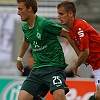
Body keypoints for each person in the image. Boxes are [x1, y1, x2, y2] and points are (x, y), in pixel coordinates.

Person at [16, 0, 79, 100]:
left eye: (20, 9)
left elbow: (66, 33)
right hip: (37, 69)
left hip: (54, 67)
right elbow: (26, 40)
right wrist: (19, 58)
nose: (18, 12)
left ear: (29, 8)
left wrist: (80, 54)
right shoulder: (25, 27)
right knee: (23, 98)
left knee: (59, 95)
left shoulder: (44, 24)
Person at [57, 1, 100, 100]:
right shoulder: (71, 30)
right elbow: (82, 51)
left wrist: (76, 66)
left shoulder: (79, 26)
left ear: (70, 14)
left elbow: (85, 51)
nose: (58, 17)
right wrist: (85, 59)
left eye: (61, 14)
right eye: (58, 14)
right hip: (96, 65)